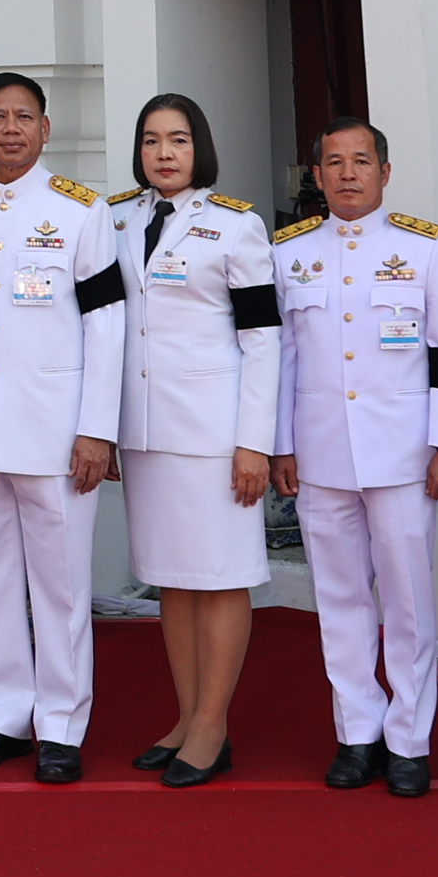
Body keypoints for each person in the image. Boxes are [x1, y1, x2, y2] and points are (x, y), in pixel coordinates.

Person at [272, 119, 438, 799]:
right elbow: (280, 358)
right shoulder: (290, 252)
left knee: (409, 602)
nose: (348, 174)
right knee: (340, 600)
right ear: (318, 175)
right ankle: (357, 732)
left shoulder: (424, 249)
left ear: (386, 171)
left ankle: (410, 739)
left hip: (405, 456)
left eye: (361, 161)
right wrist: (281, 444)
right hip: (322, 452)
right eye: (334, 163)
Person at [0, 73, 122, 785]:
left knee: (63, 584)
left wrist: (96, 429)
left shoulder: (79, 211)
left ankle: (62, 724)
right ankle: (2, 714)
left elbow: (107, 327)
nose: (10, 128)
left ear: (46, 129)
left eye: (24, 117)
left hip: (54, 430)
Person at [111, 91, 278, 787]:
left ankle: (213, 727)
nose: (164, 154)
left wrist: (255, 442)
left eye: (177, 140)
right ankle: (185, 717)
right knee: (172, 584)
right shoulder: (118, 219)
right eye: (151, 141)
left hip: (214, 433)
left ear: (199, 148)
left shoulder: (236, 227)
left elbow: (263, 340)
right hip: (146, 431)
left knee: (220, 578)